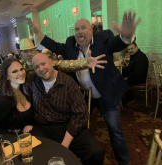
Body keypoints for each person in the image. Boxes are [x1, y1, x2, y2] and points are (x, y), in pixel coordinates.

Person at [31, 6, 141, 164]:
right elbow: (53, 45)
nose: (79, 31)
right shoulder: (70, 44)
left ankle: (124, 162)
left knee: (115, 130)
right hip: (84, 96)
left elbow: (118, 42)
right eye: (76, 29)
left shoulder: (103, 38)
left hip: (106, 94)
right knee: (79, 126)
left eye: (83, 28)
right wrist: (37, 31)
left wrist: (127, 34)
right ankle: (81, 157)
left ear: (91, 30)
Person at [28, 53, 104, 165]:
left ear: (51, 62)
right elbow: (22, 104)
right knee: (31, 155)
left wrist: (65, 144)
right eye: (36, 67)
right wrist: (27, 122)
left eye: (43, 64)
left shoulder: (68, 82)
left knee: (96, 152)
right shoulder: (32, 81)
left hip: (68, 127)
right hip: (42, 128)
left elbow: (80, 115)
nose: (41, 69)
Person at [0, 38, 107, 83]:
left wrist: (84, 63)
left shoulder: (45, 61)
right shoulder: (20, 67)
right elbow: (1, 74)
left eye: (32, 50)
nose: (30, 54)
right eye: (26, 52)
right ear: (21, 54)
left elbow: (65, 64)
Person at [0, 58, 33, 134]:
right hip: (14, 141)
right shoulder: (2, 100)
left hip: (31, 136)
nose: (21, 73)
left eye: (21, 69)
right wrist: (18, 134)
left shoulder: (26, 90)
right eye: (15, 71)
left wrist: (30, 125)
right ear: (7, 76)